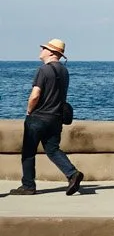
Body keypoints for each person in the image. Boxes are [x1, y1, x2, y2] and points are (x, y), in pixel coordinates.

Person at [18, 38, 83, 197]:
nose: (41, 50)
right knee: (53, 150)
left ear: (52, 52)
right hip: (55, 118)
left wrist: (28, 111)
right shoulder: (64, 71)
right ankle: (72, 173)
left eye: (44, 48)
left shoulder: (43, 70)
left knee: (28, 152)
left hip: (38, 118)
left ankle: (28, 186)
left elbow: (35, 95)